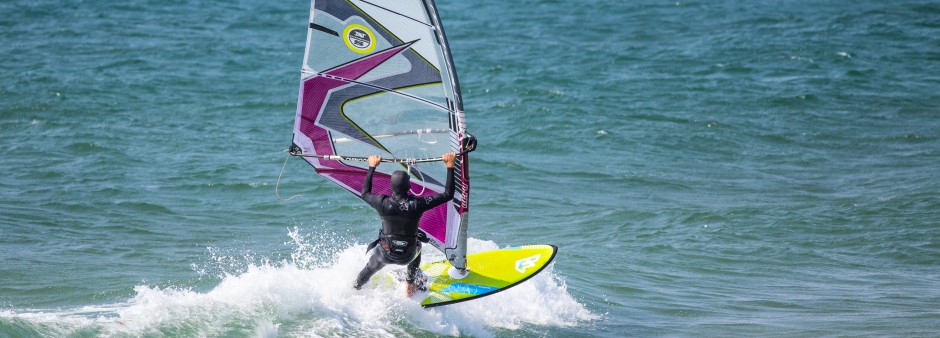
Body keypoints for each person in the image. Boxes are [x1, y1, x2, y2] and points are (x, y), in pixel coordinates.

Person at [353, 152, 456, 297]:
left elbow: (365, 193)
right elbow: (448, 194)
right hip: (408, 255)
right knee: (418, 245)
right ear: (409, 186)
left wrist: (372, 167)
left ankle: (354, 289)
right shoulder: (418, 204)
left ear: (391, 187)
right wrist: (450, 166)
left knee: (368, 269)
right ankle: (410, 283)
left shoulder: (382, 203)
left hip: (385, 254)